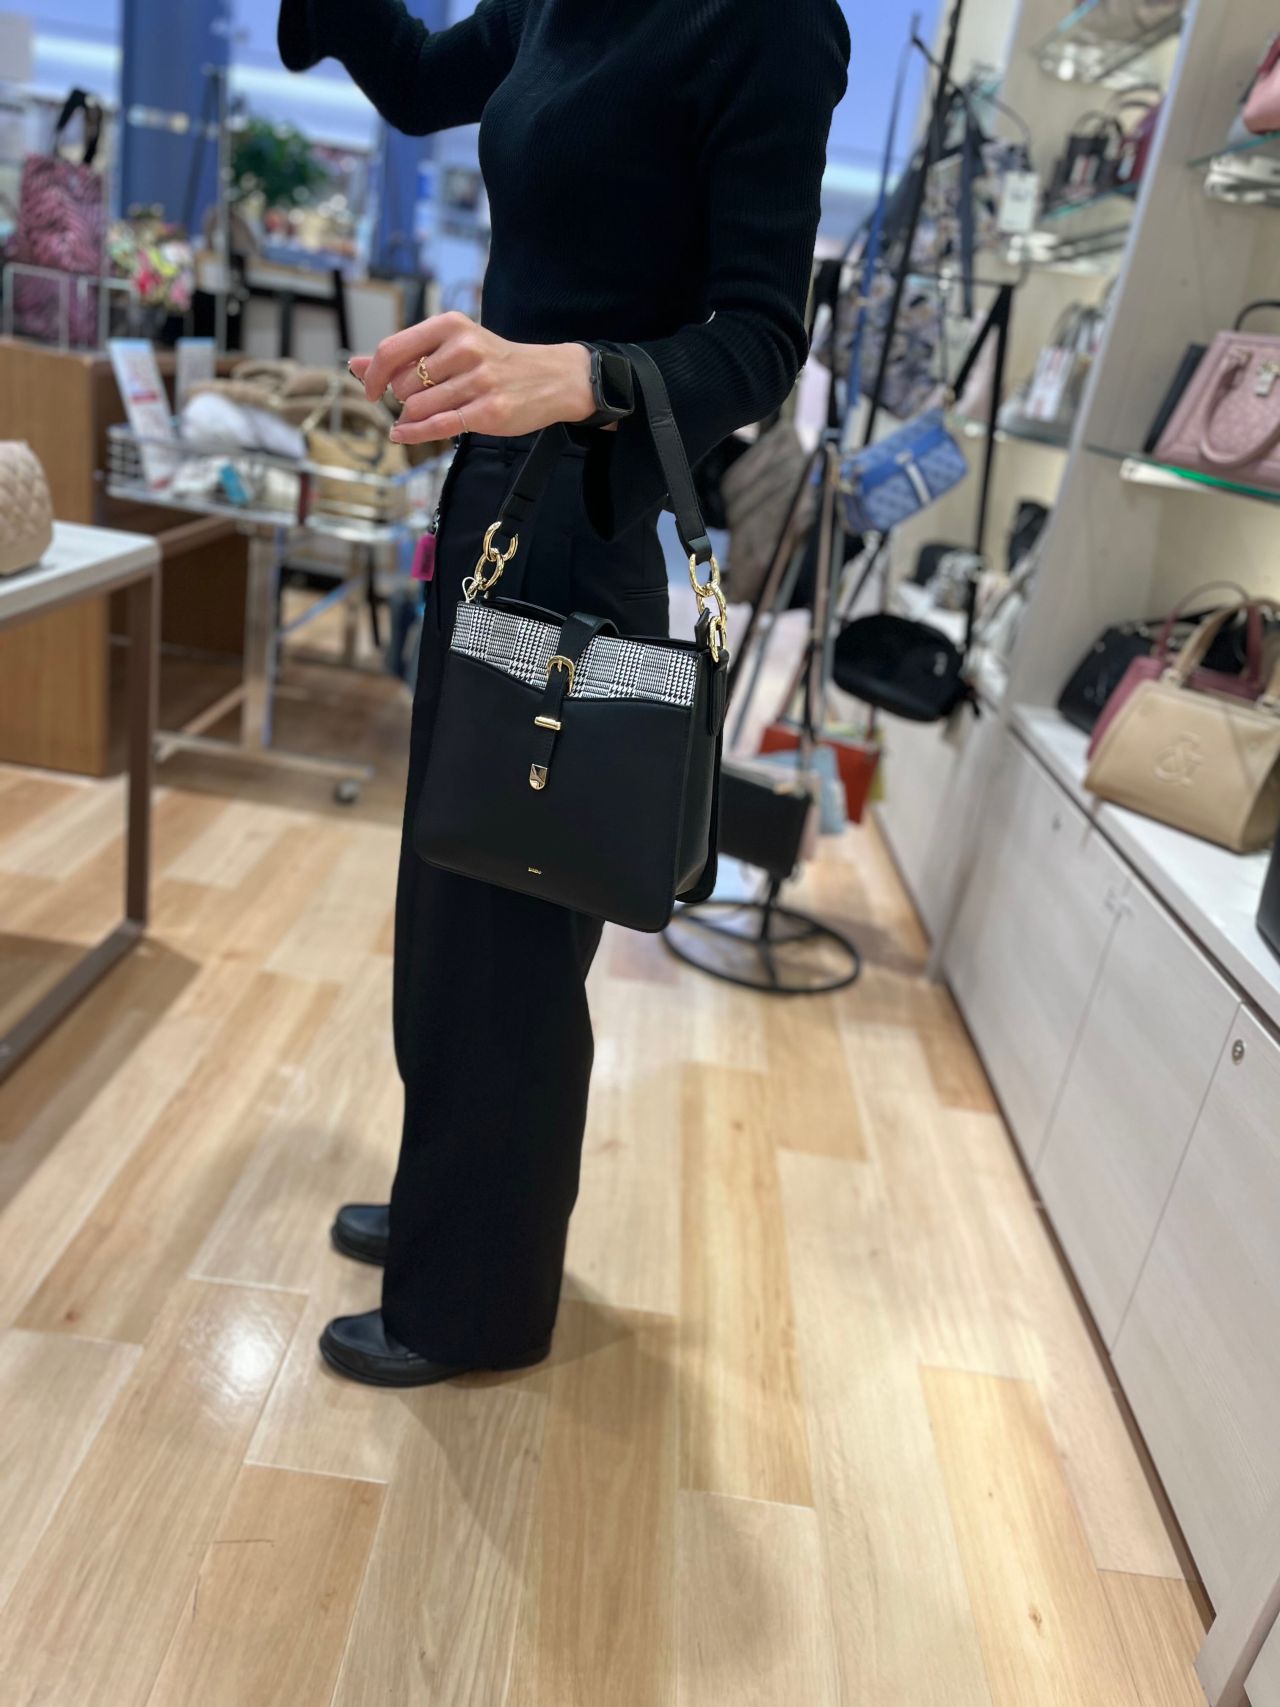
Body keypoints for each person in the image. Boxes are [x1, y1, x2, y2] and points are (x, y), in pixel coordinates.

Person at [278, 0, 850, 1386]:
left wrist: (579, 373)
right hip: (497, 490)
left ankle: (475, 1301)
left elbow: (761, 338)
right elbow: (425, 80)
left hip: (593, 517)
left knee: (515, 931)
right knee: (449, 891)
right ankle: (451, 1202)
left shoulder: (767, 23)